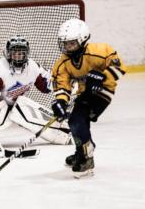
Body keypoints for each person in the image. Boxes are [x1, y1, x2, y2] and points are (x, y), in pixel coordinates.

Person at [51, 19, 126, 178]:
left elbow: (120, 68)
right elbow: (63, 85)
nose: (67, 47)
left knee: (77, 120)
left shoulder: (100, 51)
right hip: (84, 94)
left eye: (71, 43)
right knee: (76, 121)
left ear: (82, 40)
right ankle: (81, 152)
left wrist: (102, 77)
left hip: (103, 92)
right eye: (65, 43)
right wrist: (61, 102)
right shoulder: (62, 63)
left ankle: (87, 158)